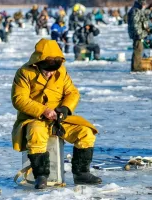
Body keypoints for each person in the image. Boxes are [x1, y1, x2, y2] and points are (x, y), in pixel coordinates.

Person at [11, 38, 102, 189]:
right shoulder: (24, 73)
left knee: (86, 132)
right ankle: (41, 175)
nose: (50, 74)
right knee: (36, 133)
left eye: (53, 70)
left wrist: (65, 109)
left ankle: (81, 173)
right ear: (37, 63)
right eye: (47, 70)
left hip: (59, 119)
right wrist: (43, 110)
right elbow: (19, 99)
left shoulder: (61, 72)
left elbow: (72, 93)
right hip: (34, 118)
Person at [128, 0, 149, 71]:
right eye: (143, 4)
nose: (144, 5)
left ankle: (137, 66)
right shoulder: (135, 10)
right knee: (138, 50)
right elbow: (135, 24)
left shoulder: (137, 9)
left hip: (138, 34)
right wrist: (139, 34)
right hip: (137, 34)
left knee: (139, 49)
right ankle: (136, 67)